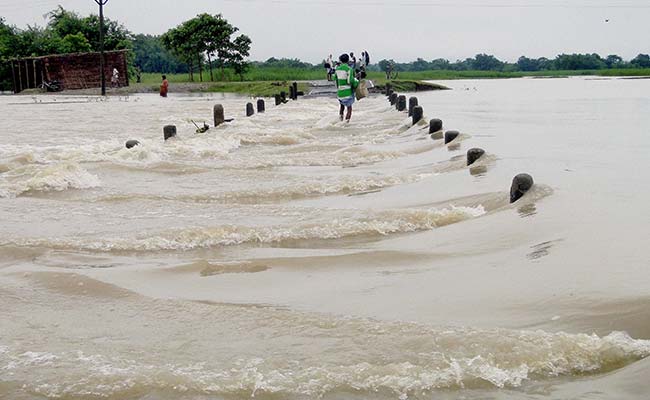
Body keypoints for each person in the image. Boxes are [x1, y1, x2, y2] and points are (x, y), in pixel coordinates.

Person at [335, 53, 359, 123]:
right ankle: (346, 123)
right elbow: (350, 81)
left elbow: (335, 80)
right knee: (349, 109)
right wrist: (356, 81)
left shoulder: (337, 69)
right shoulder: (349, 69)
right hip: (347, 93)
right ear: (348, 60)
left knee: (341, 107)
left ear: (340, 60)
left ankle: (340, 120)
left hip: (340, 93)